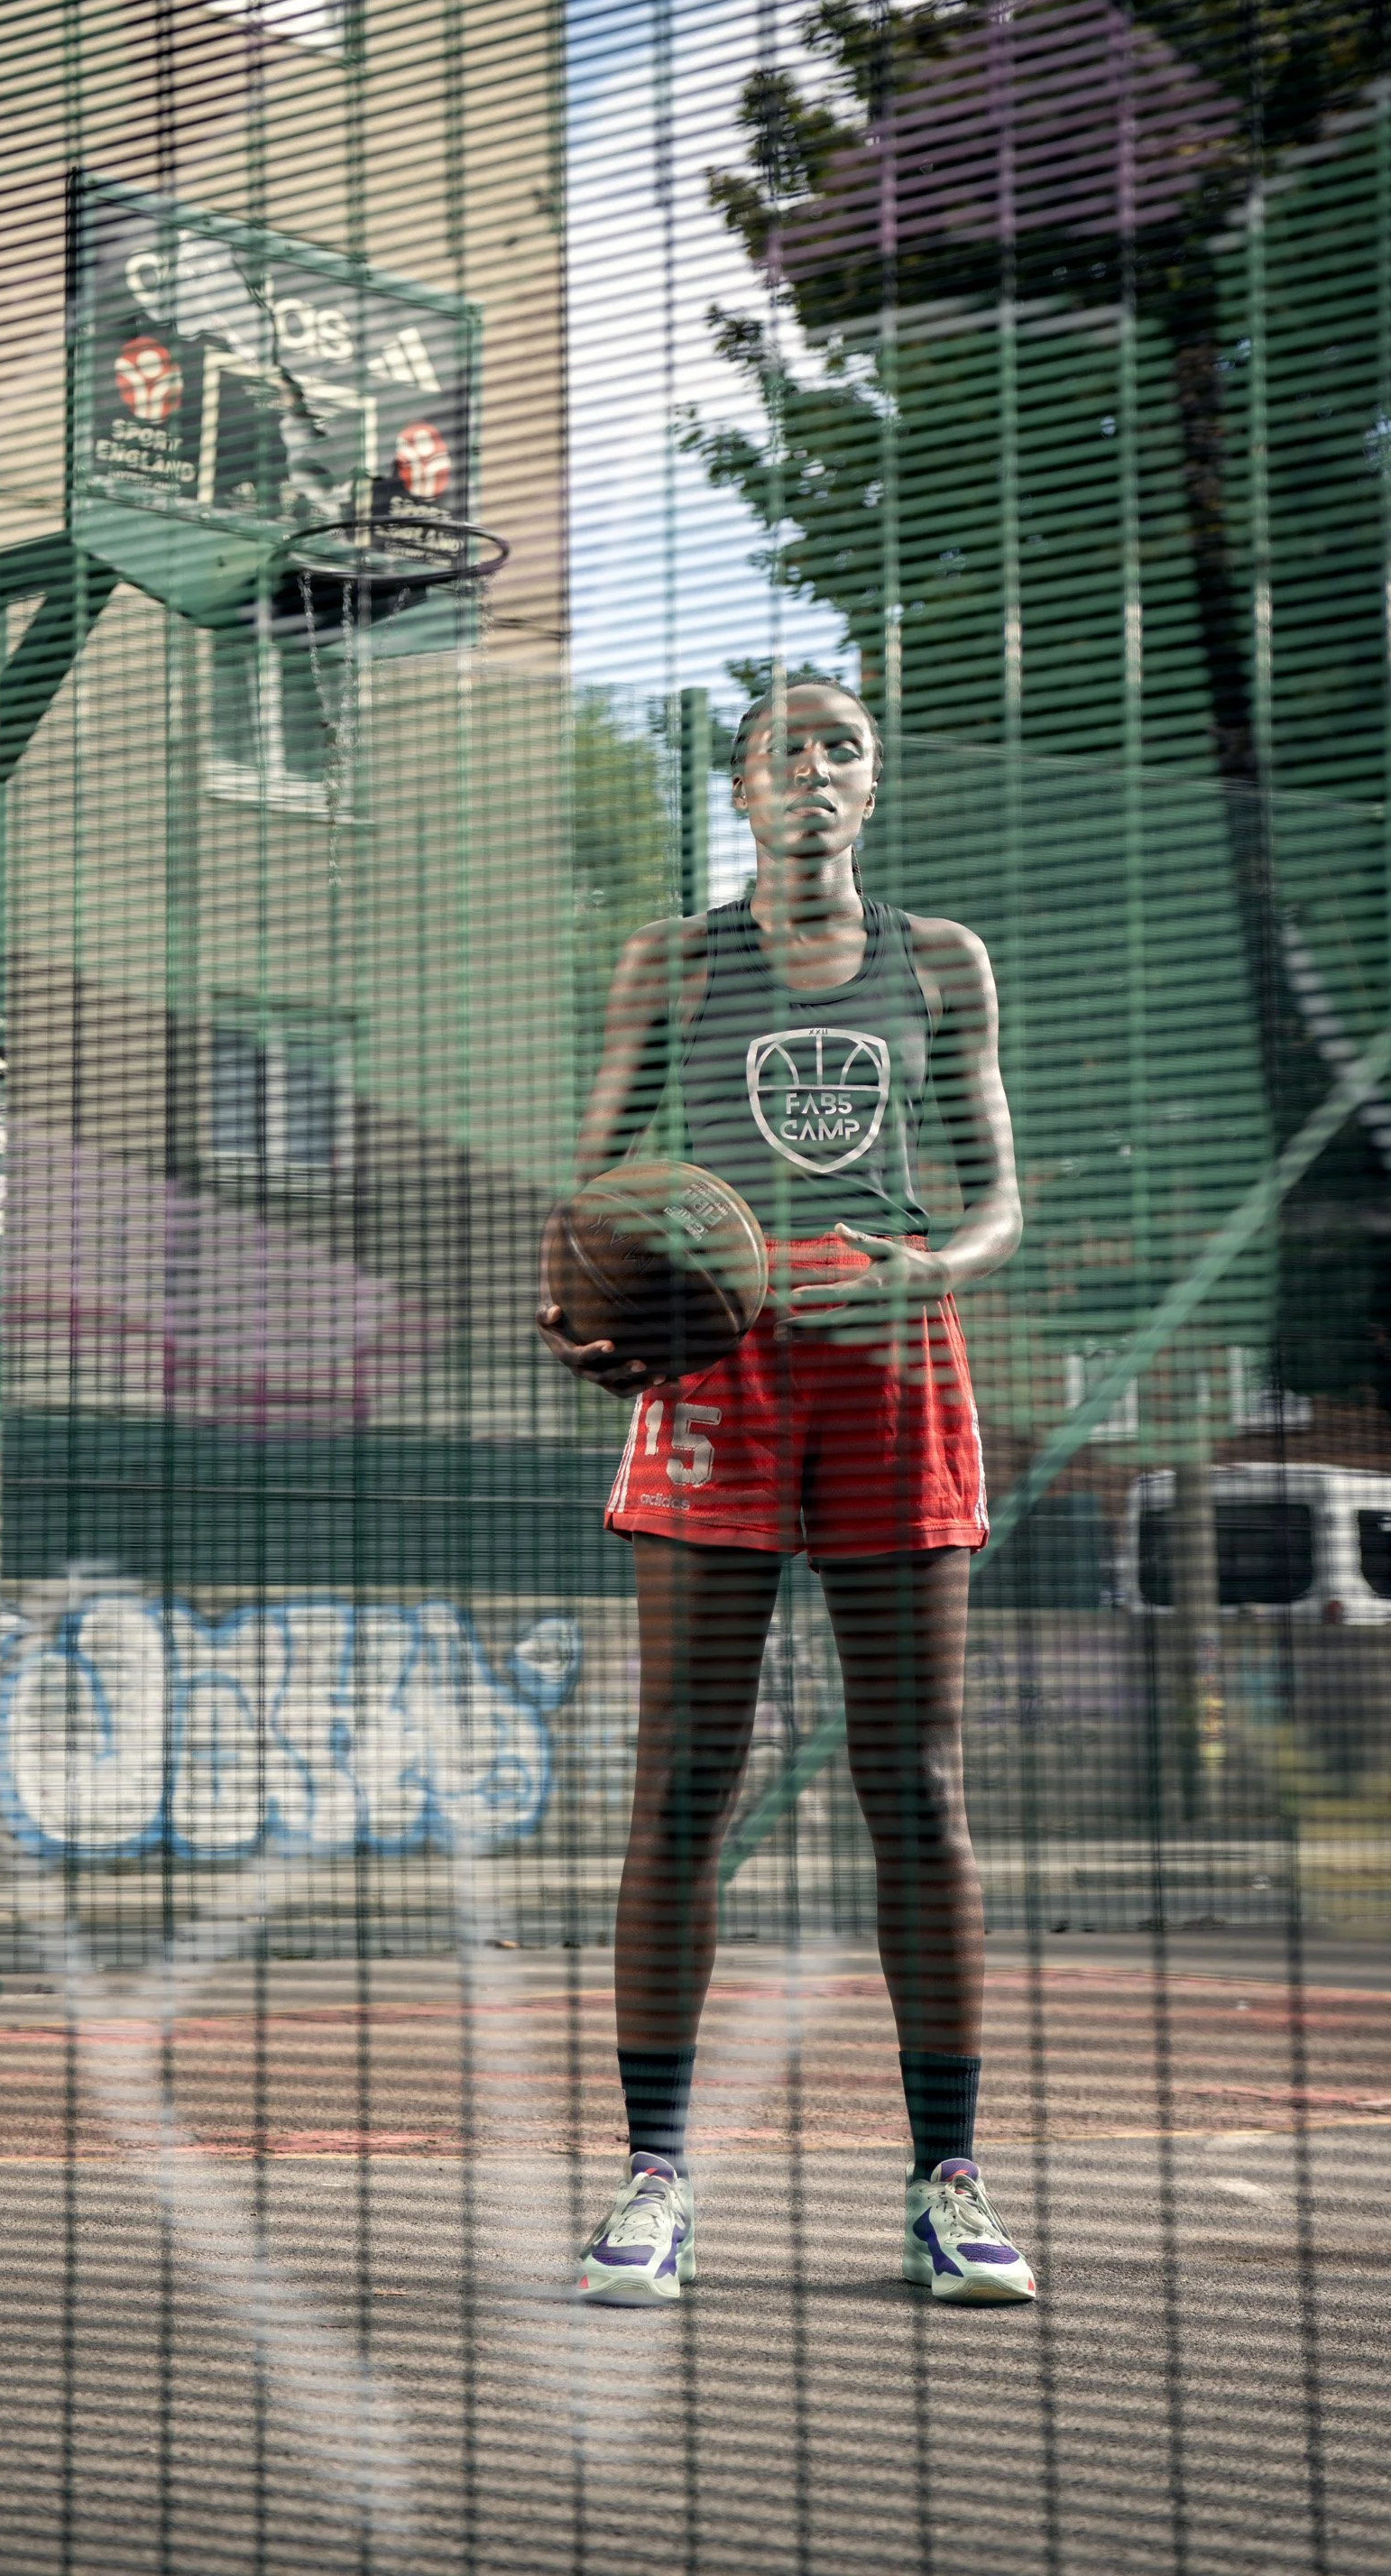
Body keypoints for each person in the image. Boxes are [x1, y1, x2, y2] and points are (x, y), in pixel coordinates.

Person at [539, 672, 1036, 2309]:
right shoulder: (673, 962)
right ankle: (655, 2180)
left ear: (871, 790)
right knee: (686, 1774)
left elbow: (1000, 1201)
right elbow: (595, 1194)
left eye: (843, 749)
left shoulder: (941, 959)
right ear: (740, 791)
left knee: (919, 1786)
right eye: (785, 750)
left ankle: (947, 2183)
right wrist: (588, 1314)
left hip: (898, 1351)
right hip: (722, 1356)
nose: (815, 771)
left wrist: (933, 1272)